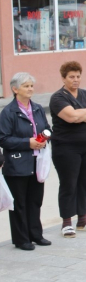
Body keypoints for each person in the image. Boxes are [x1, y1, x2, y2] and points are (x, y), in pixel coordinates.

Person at [49, 61, 86, 238]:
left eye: (78, 76)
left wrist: (83, 115)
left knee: (85, 183)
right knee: (69, 184)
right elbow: (71, 117)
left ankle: (82, 220)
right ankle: (67, 223)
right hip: (66, 148)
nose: (76, 80)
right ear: (63, 78)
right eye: (71, 77)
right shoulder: (58, 98)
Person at [0, 73, 52, 251]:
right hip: (17, 165)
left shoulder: (37, 108)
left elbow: (47, 128)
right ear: (15, 89)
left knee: (35, 200)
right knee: (19, 204)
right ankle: (21, 239)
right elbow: (3, 139)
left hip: (37, 162)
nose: (30, 89)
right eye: (26, 86)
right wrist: (27, 143)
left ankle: (36, 235)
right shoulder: (8, 112)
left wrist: (44, 137)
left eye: (31, 85)